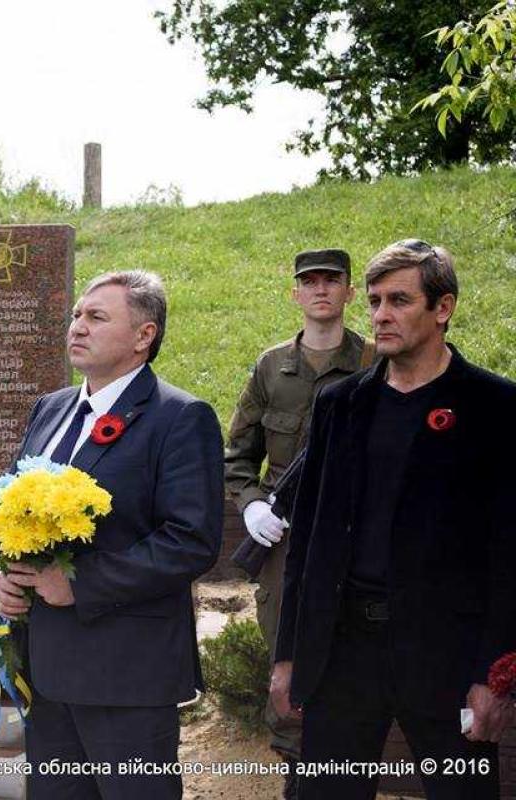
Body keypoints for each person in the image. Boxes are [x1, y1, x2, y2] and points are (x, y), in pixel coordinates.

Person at [271, 240, 516, 799]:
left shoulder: (497, 408)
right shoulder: (339, 404)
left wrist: (496, 677)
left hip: (447, 655)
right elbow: (308, 541)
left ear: (443, 308)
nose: (381, 315)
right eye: (375, 300)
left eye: (400, 301)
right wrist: (288, 656)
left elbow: (510, 555)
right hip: (343, 652)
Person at [0, 270, 224, 799]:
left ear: (144, 335)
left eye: (96, 317)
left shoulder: (179, 417)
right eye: (76, 315)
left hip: (126, 674)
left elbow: (191, 540)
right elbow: (6, 513)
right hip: (47, 669)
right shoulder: (50, 409)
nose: (78, 326)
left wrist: (80, 583)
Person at [224, 248, 373, 792]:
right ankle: (296, 778)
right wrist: (251, 504)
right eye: (310, 281)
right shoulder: (271, 367)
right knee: (284, 662)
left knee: (347, 660)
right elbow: (238, 455)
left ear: (349, 292)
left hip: (350, 534)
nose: (321, 289)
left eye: (332, 280)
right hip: (282, 536)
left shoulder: (374, 360)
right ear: (296, 293)